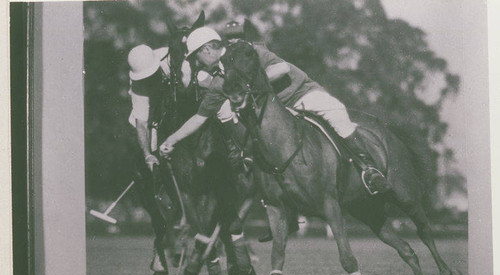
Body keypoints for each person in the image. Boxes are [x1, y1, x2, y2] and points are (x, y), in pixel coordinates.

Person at [159, 27, 389, 194]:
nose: (196, 62)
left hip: (301, 94)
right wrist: (172, 139)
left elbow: (282, 68)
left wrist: (249, 86)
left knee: (338, 115)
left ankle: (369, 169)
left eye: (196, 55)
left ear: (208, 49)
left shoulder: (247, 49)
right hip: (279, 115)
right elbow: (200, 117)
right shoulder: (219, 79)